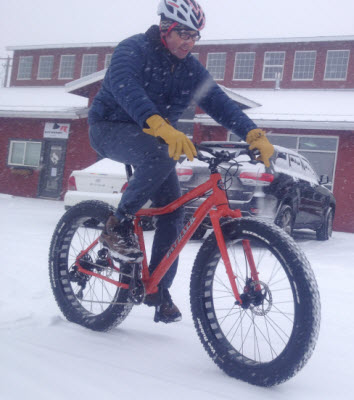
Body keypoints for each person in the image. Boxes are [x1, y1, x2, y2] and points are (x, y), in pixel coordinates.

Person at [88, 0, 274, 323]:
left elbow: (219, 102)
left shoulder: (190, 69)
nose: (189, 41)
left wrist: (252, 133)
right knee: (159, 156)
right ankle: (116, 226)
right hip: (110, 127)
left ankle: (157, 289)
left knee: (174, 212)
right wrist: (158, 124)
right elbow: (125, 88)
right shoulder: (132, 50)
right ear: (165, 28)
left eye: (195, 36)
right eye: (183, 33)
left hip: (154, 139)